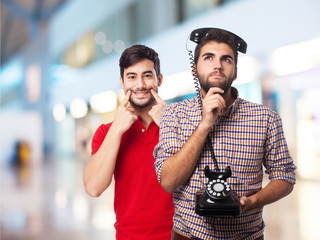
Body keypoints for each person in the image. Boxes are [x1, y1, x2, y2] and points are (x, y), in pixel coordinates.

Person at [154, 28, 296, 240]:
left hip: (247, 235)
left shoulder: (266, 118)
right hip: (188, 236)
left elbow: (285, 176)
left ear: (235, 72)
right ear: (194, 69)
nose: (217, 65)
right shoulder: (174, 114)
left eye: (226, 59)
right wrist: (204, 125)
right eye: (208, 57)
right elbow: (168, 182)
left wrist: (253, 202)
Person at [83, 44, 174, 240]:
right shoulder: (106, 132)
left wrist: (169, 127)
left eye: (147, 75)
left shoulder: (179, 124)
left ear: (159, 79)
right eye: (132, 77)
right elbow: (93, 187)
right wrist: (117, 128)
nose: (139, 84)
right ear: (122, 82)